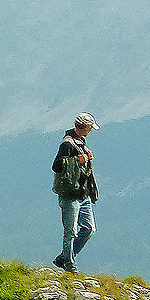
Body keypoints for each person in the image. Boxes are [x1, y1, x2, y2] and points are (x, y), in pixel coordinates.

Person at [51, 113, 98, 272]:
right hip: (70, 194)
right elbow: (56, 166)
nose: (91, 130)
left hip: (82, 193)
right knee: (70, 231)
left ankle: (65, 257)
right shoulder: (67, 144)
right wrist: (79, 160)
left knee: (88, 228)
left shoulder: (80, 141)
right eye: (90, 127)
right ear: (84, 126)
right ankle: (70, 265)